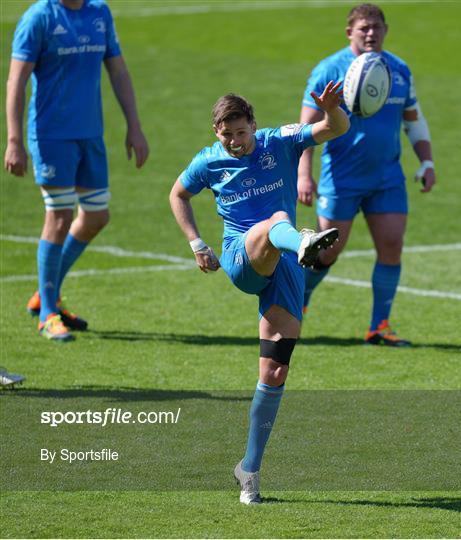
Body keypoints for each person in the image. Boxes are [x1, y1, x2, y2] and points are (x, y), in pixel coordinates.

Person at [169, 85, 349, 504]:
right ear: (216, 132)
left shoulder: (278, 141)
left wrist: (333, 109)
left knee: (274, 373)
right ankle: (301, 239)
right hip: (241, 257)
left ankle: (248, 470)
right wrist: (197, 243)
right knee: (277, 219)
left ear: (253, 124)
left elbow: (334, 129)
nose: (234, 141)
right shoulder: (207, 162)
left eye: (240, 132)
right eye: (225, 134)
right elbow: (178, 194)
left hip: (285, 268)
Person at [4, 0, 149, 341]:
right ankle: (48, 314)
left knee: (97, 216)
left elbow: (118, 70)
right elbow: (16, 80)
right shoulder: (39, 17)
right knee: (59, 217)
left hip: (90, 134)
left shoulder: (99, 12)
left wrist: (134, 126)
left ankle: (46, 294)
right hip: (52, 135)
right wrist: (14, 140)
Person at [298, 3, 436, 346]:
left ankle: (379, 327)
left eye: (376, 27)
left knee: (392, 245)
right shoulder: (329, 70)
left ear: (386, 30)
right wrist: (304, 174)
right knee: (328, 250)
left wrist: (427, 161)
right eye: (363, 28)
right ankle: (296, 302)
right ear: (350, 33)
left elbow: (413, 120)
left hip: (387, 177)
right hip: (341, 178)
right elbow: (305, 128)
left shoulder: (399, 71)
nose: (371, 32)